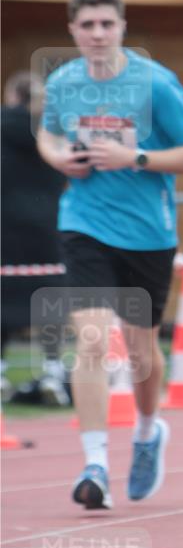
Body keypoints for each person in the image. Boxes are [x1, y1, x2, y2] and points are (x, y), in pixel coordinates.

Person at [37, 0, 183, 510]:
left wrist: (133, 158)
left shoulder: (154, 84)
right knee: (91, 339)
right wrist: (60, 157)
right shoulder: (64, 82)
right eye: (86, 25)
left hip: (148, 233)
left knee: (140, 353)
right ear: (72, 30)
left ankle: (147, 431)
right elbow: (47, 134)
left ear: (121, 28)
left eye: (106, 25)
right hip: (83, 222)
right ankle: (94, 464)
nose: (96, 34)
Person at [1, 70, 70, 406]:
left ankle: (0, 371)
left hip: (5, 229)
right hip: (49, 226)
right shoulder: (54, 132)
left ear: (12, 97)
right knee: (51, 303)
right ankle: (53, 370)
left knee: (3, 302)